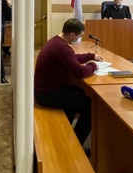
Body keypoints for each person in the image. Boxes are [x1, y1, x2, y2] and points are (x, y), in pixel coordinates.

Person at [34, 18, 103, 146]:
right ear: (72, 34)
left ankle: (67, 133)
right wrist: (93, 65)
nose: (79, 39)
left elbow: (71, 58)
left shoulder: (56, 41)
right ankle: (77, 143)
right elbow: (80, 72)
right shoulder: (62, 48)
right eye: (79, 36)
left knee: (79, 92)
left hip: (46, 89)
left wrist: (90, 56)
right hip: (47, 94)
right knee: (91, 107)